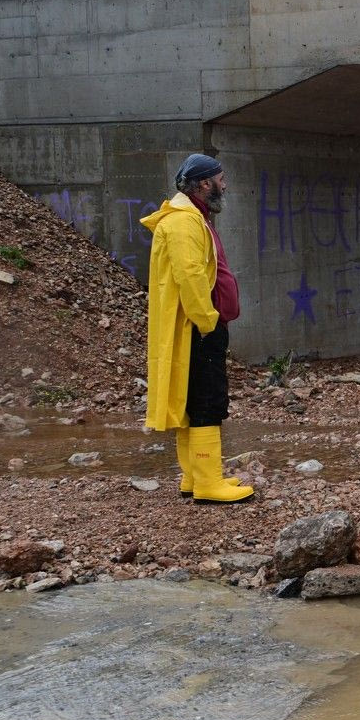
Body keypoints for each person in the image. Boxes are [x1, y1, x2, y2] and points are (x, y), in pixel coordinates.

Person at [141, 153, 253, 504]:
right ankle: (208, 483)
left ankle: (195, 476)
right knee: (207, 401)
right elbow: (189, 276)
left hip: (196, 325)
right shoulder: (184, 222)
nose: (225, 185)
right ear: (204, 183)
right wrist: (207, 321)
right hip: (198, 327)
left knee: (192, 401)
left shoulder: (191, 218)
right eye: (221, 179)